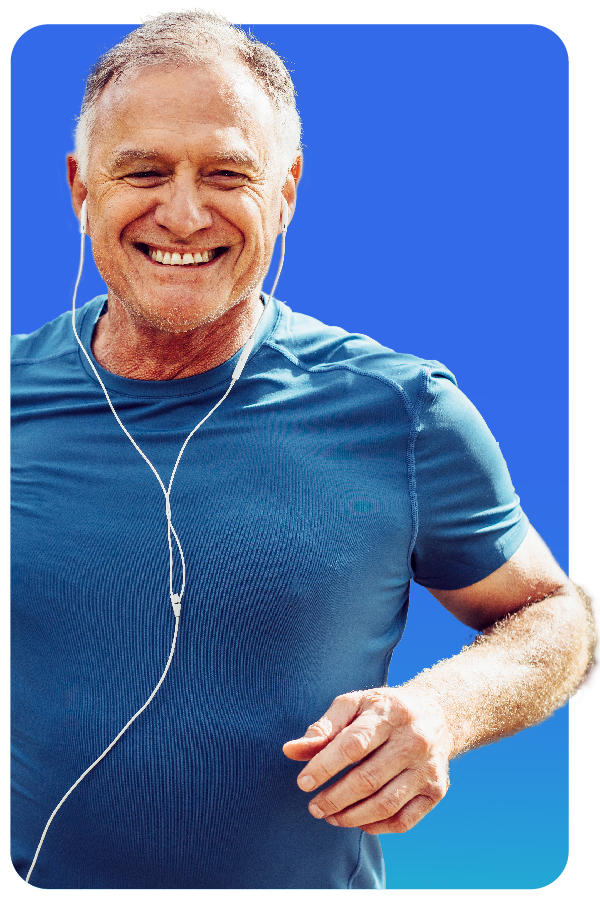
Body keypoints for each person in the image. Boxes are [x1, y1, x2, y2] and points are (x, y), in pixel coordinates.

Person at [11, 10, 595, 890]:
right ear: (78, 188)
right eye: (141, 171)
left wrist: (441, 711)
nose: (181, 211)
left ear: (285, 192)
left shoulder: (403, 408)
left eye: (225, 173)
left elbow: (560, 619)